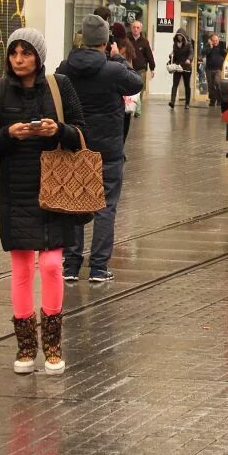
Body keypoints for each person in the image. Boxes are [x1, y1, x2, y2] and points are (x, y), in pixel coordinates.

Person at [0, 28, 85, 374]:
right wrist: (8, 134)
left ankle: (52, 343)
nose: (19, 60)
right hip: (16, 192)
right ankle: (26, 347)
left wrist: (59, 131)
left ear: (39, 56)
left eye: (26, 53)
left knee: (52, 265)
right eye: (14, 53)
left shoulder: (59, 86)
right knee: (22, 268)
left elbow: (82, 131)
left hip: (56, 188)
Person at [57, 15, 143, 282]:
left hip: (75, 145)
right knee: (106, 207)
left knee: (73, 203)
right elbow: (136, 82)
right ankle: (98, 267)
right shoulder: (113, 69)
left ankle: (71, 265)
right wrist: (117, 57)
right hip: (108, 150)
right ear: (106, 42)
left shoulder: (65, 67)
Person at [111, 22, 137, 141]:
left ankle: (120, 146)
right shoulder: (128, 46)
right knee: (126, 119)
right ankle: (122, 146)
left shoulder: (117, 49)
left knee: (119, 119)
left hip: (118, 86)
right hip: (125, 87)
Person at [128, 19, 155, 114]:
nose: (135, 29)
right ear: (131, 28)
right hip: (129, 69)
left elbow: (149, 55)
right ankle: (130, 107)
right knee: (129, 88)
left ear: (141, 29)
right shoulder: (127, 40)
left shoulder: (144, 42)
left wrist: (152, 68)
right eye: (134, 27)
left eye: (137, 27)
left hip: (141, 69)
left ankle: (137, 109)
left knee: (140, 89)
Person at [168, 28, 193, 107]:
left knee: (187, 85)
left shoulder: (188, 44)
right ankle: (172, 102)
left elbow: (191, 53)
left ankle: (187, 103)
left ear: (184, 36)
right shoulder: (175, 44)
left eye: (181, 36)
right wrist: (171, 57)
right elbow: (174, 55)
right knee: (175, 84)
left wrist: (189, 59)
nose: (179, 37)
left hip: (186, 67)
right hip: (178, 66)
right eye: (178, 36)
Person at [204, 33, 227, 107]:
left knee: (217, 83)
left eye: (216, 40)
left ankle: (220, 100)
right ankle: (212, 100)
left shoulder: (221, 46)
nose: (215, 42)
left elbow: (225, 54)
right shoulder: (208, 46)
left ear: (218, 40)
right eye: (214, 40)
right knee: (210, 86)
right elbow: (203, 53)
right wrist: (210, 47)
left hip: (218, 69)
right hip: (209, 69)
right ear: (211, 41)